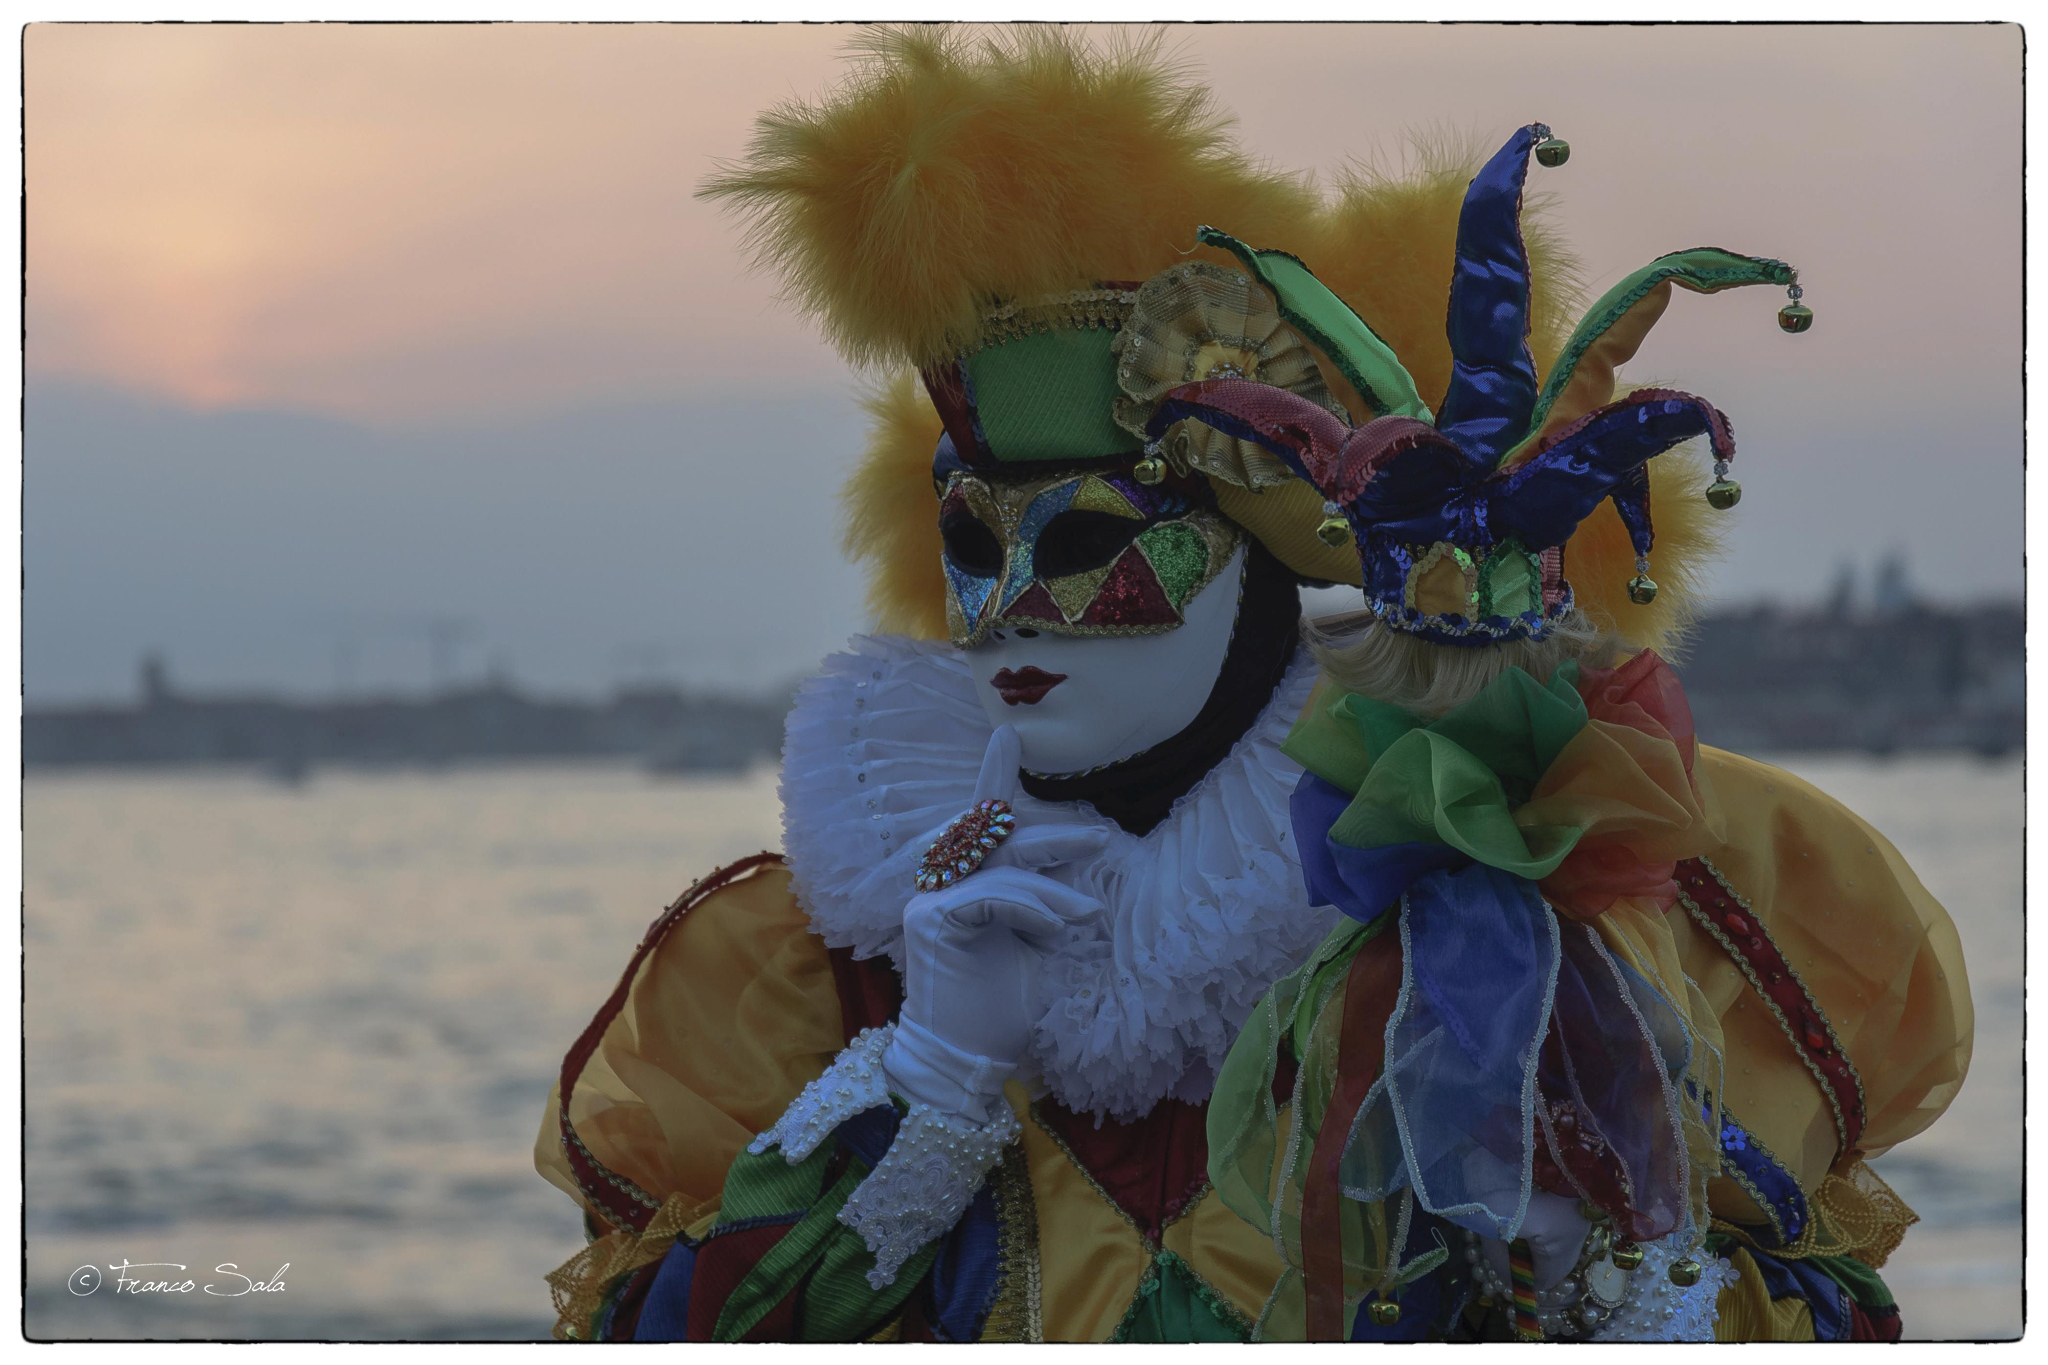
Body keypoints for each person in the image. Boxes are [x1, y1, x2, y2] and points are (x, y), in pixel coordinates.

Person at [533, 29, 1970, 1343]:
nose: (1018, 612)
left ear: (1265, 564)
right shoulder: (807, 974)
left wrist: (1586, 1245)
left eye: (1099, 542)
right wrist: (928, 1082)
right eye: (976, 540)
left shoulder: (1544, 920)